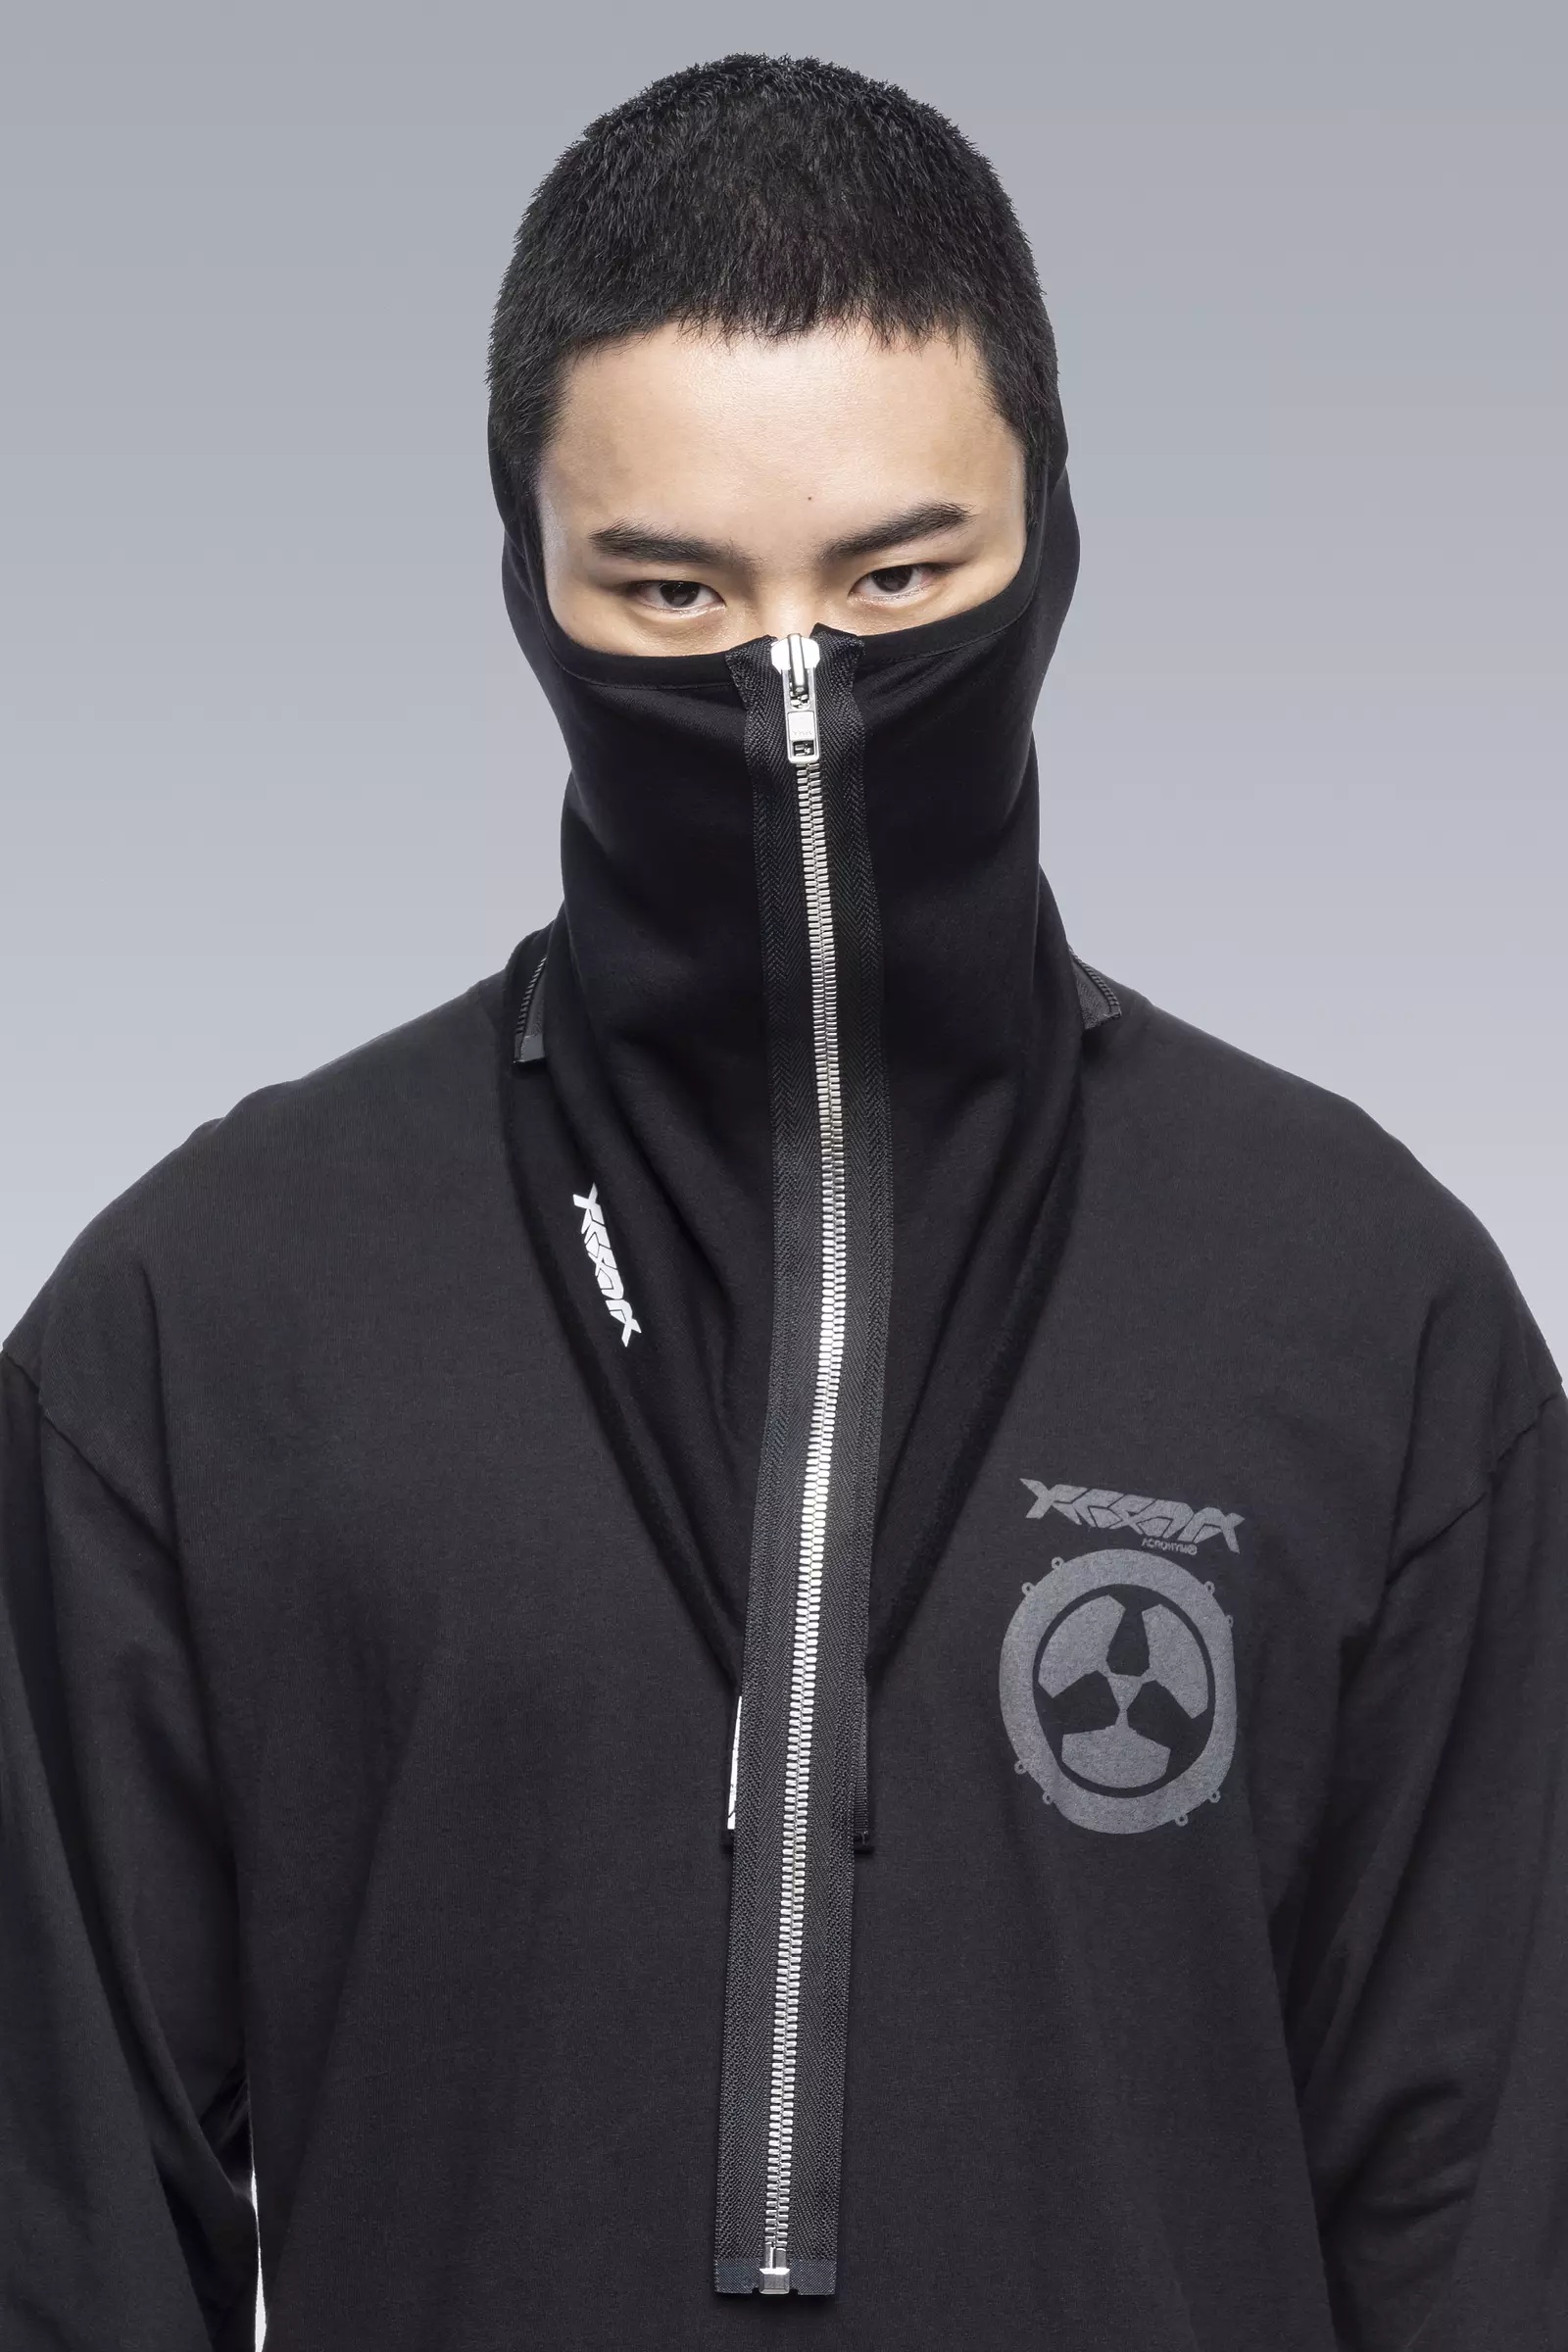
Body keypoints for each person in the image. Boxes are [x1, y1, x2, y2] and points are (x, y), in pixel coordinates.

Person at [1, 51, 1563, 2352]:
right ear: (526, 586)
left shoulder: (1364, 1312)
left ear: (1050, 542)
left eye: (896, 573)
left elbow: (1484, 2226)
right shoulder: (198, 1330)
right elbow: (62, 2247)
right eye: (669, 587)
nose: (795, 680)